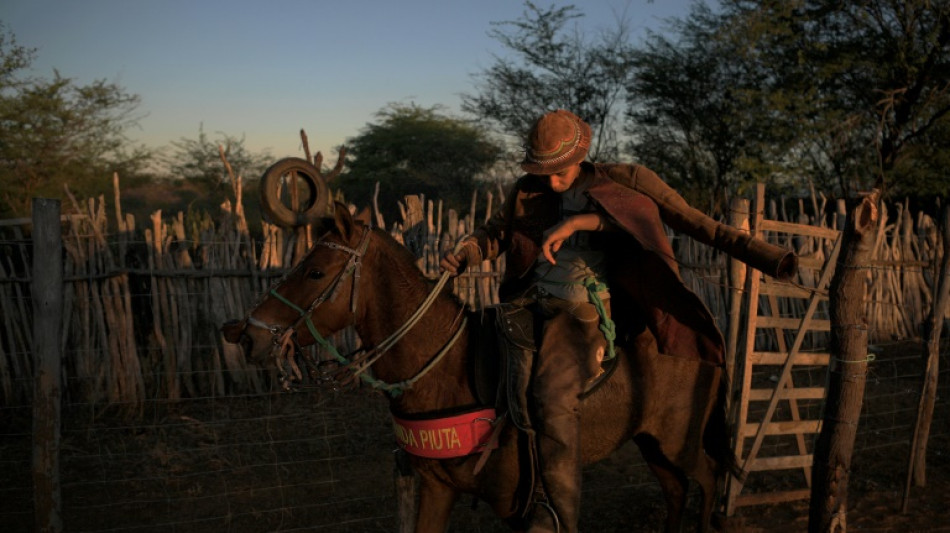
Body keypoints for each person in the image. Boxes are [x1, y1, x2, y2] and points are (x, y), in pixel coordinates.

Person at [440, 109, 796, 533]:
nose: (551, 182)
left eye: (560, 173)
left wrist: (771, 259)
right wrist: (467, 252)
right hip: (522, 303)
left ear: (583, 156)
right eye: (543, 173)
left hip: (578, 310)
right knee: (479, 372)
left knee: (551, 399)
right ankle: (506, 480)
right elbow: (497, 232)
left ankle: (557, 519)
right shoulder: (526, 191)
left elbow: (688, 223)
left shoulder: (626, 180)